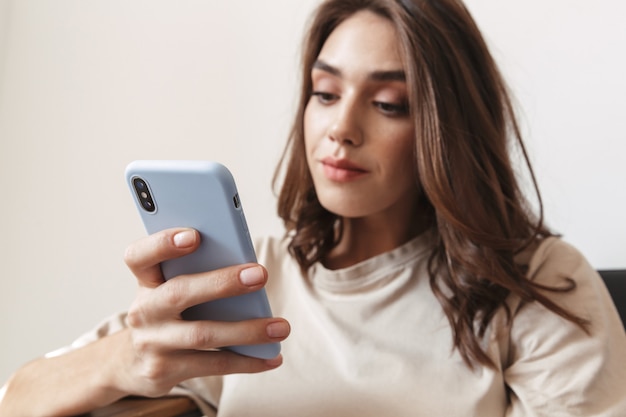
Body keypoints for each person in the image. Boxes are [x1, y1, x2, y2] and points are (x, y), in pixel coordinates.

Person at [1, 0, 625, 415]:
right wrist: (131, 356)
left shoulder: (538, 282)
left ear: (448, 127)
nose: (341, 129)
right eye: (325, 93)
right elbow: (17, 397)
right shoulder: (245, 281)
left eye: (388, 104)